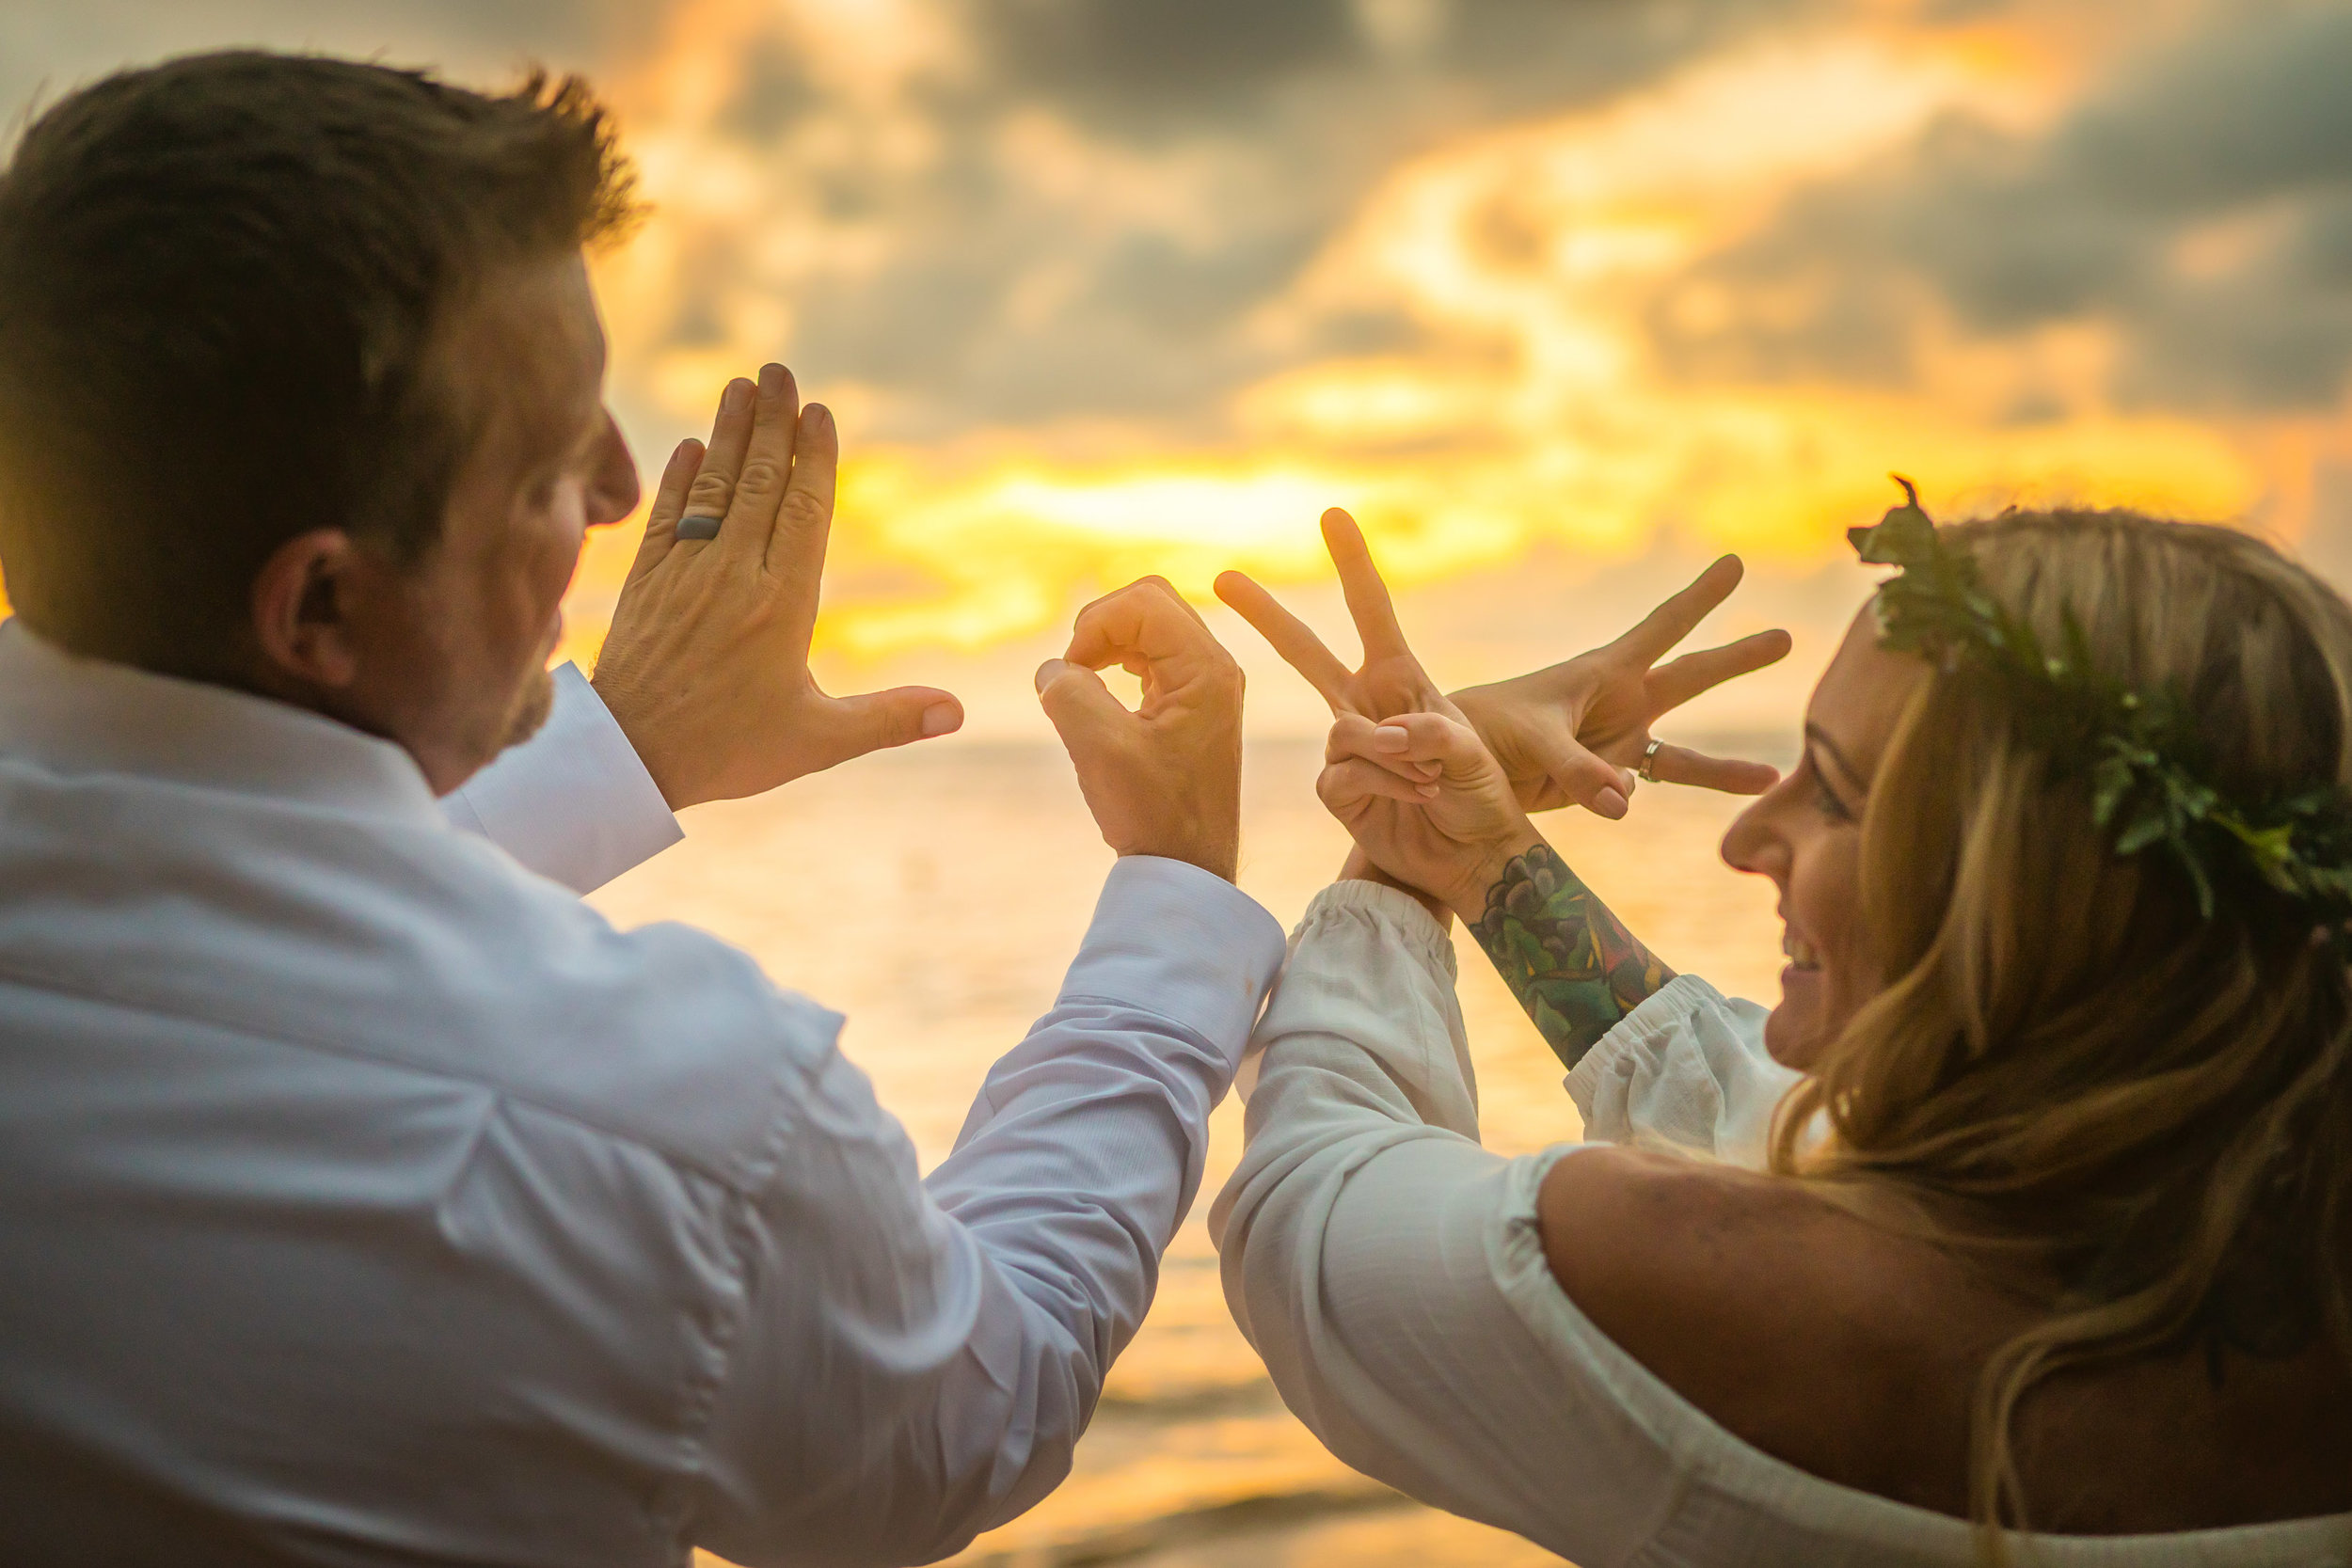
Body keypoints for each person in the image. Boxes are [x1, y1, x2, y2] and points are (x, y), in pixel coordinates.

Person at [0, 51, 1787, 1568]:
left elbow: (234, 936)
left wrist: (623, 752)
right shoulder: (649, 1111)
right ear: (318, 608)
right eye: (551, 464)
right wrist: (1181, 891)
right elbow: (959, 1423)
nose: (626, 491)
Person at [1213, 495, 2352, 1564]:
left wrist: (1398, 847)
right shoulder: (2278, 1275)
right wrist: (1480, 853)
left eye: (1841, 795)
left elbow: (1304, 1226)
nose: (1748, 830)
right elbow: (1752, 1108)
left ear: (2028, 892)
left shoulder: (1710, 1287)